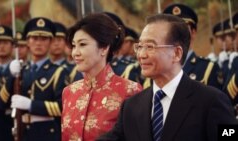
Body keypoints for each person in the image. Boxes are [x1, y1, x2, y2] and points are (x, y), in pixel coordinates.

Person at [97, 13, 237, 141]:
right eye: (139, 46)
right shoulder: (131, 106)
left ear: (176, 53)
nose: (141, 55)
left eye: (150, 46)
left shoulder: (211, 101)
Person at [62, 13, 143, 141]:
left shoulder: (130, 91)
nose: (75, 53)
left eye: (82, 44)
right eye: (73, 45)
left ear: (104, 48)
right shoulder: (69, 92)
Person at [8, 17, 68, 141]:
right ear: (28, 42)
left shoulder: (58, 72)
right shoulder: (22, 70)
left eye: (44, 39)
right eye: (34, 38)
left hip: (47, 133)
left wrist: (31, 105)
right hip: (23, 132)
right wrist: (10, 75)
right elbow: (4, 100)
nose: (39, 43)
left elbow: (63, 107)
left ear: (50, 42)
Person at [163, 3, 222, 89]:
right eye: (171, 28)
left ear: (193, 33)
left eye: (182, 28)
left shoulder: (208, 69)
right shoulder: (158, 68)